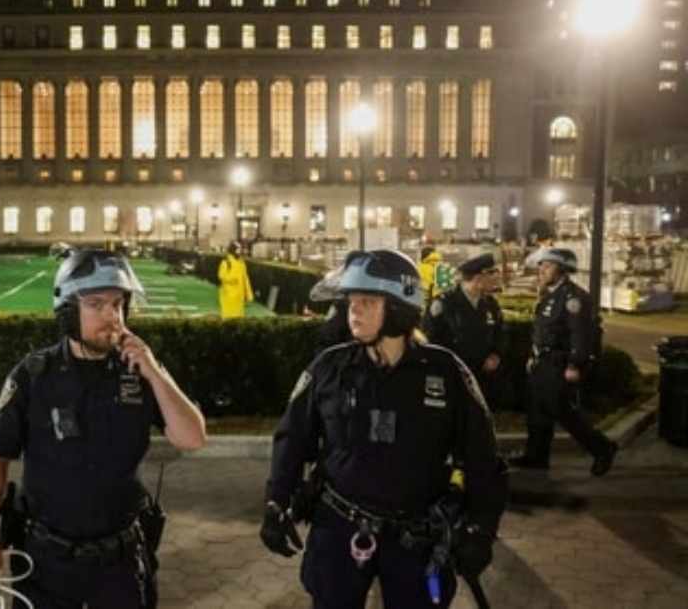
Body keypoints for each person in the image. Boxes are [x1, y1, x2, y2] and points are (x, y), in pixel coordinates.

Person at [261, 249, 507, 609]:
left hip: (418, 538)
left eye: (367, 301)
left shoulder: (446, 373)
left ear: (398, 308)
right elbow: (292, 438)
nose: (353, 311)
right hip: (339, 530)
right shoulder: (330, 367)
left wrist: (481, 529)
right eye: (350, 301)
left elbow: (482, 456)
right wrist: (275, 501)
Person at [0, 249, 208, 608]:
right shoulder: (34, 376)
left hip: (121, 562)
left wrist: (154, 372)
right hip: (47, 561)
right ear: (68, 312)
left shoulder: (140, 371)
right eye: (96, 304)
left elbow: (192, 438)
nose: (111, 316)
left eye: (117, 304)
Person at [508, 247, 617, 476]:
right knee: (538, 412)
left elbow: (581, 335)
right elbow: (543, 331)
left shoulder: (573, 297)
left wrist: (575, 365)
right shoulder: (551, 294)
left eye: (547, 266)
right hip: (543, 363)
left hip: (560, 365)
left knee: (564, 412)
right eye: (542, 266)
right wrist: (533, 355)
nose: (542, 270)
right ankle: (535, 457)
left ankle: (602, 448)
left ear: (562, 270)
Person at [422, 253, 507, 407]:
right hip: (453, 378)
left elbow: (500, 333)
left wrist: (496, 355)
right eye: (491, 274)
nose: (495, 279)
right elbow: (429, 340)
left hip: (482, 377)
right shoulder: (445, 304)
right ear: (479, 278)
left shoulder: (490, 303)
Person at [217, 240, 254, 318]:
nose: (240, 251)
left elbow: (245, 279)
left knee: (239, 318)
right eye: (238, 249)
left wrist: (249, 294)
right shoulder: (226, 262)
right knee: (228, 318)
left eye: (240, 249)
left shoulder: (242, 263)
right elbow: (221, 276)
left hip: (239, 297)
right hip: (228, 296)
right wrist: (231, 279)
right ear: (233, 250)